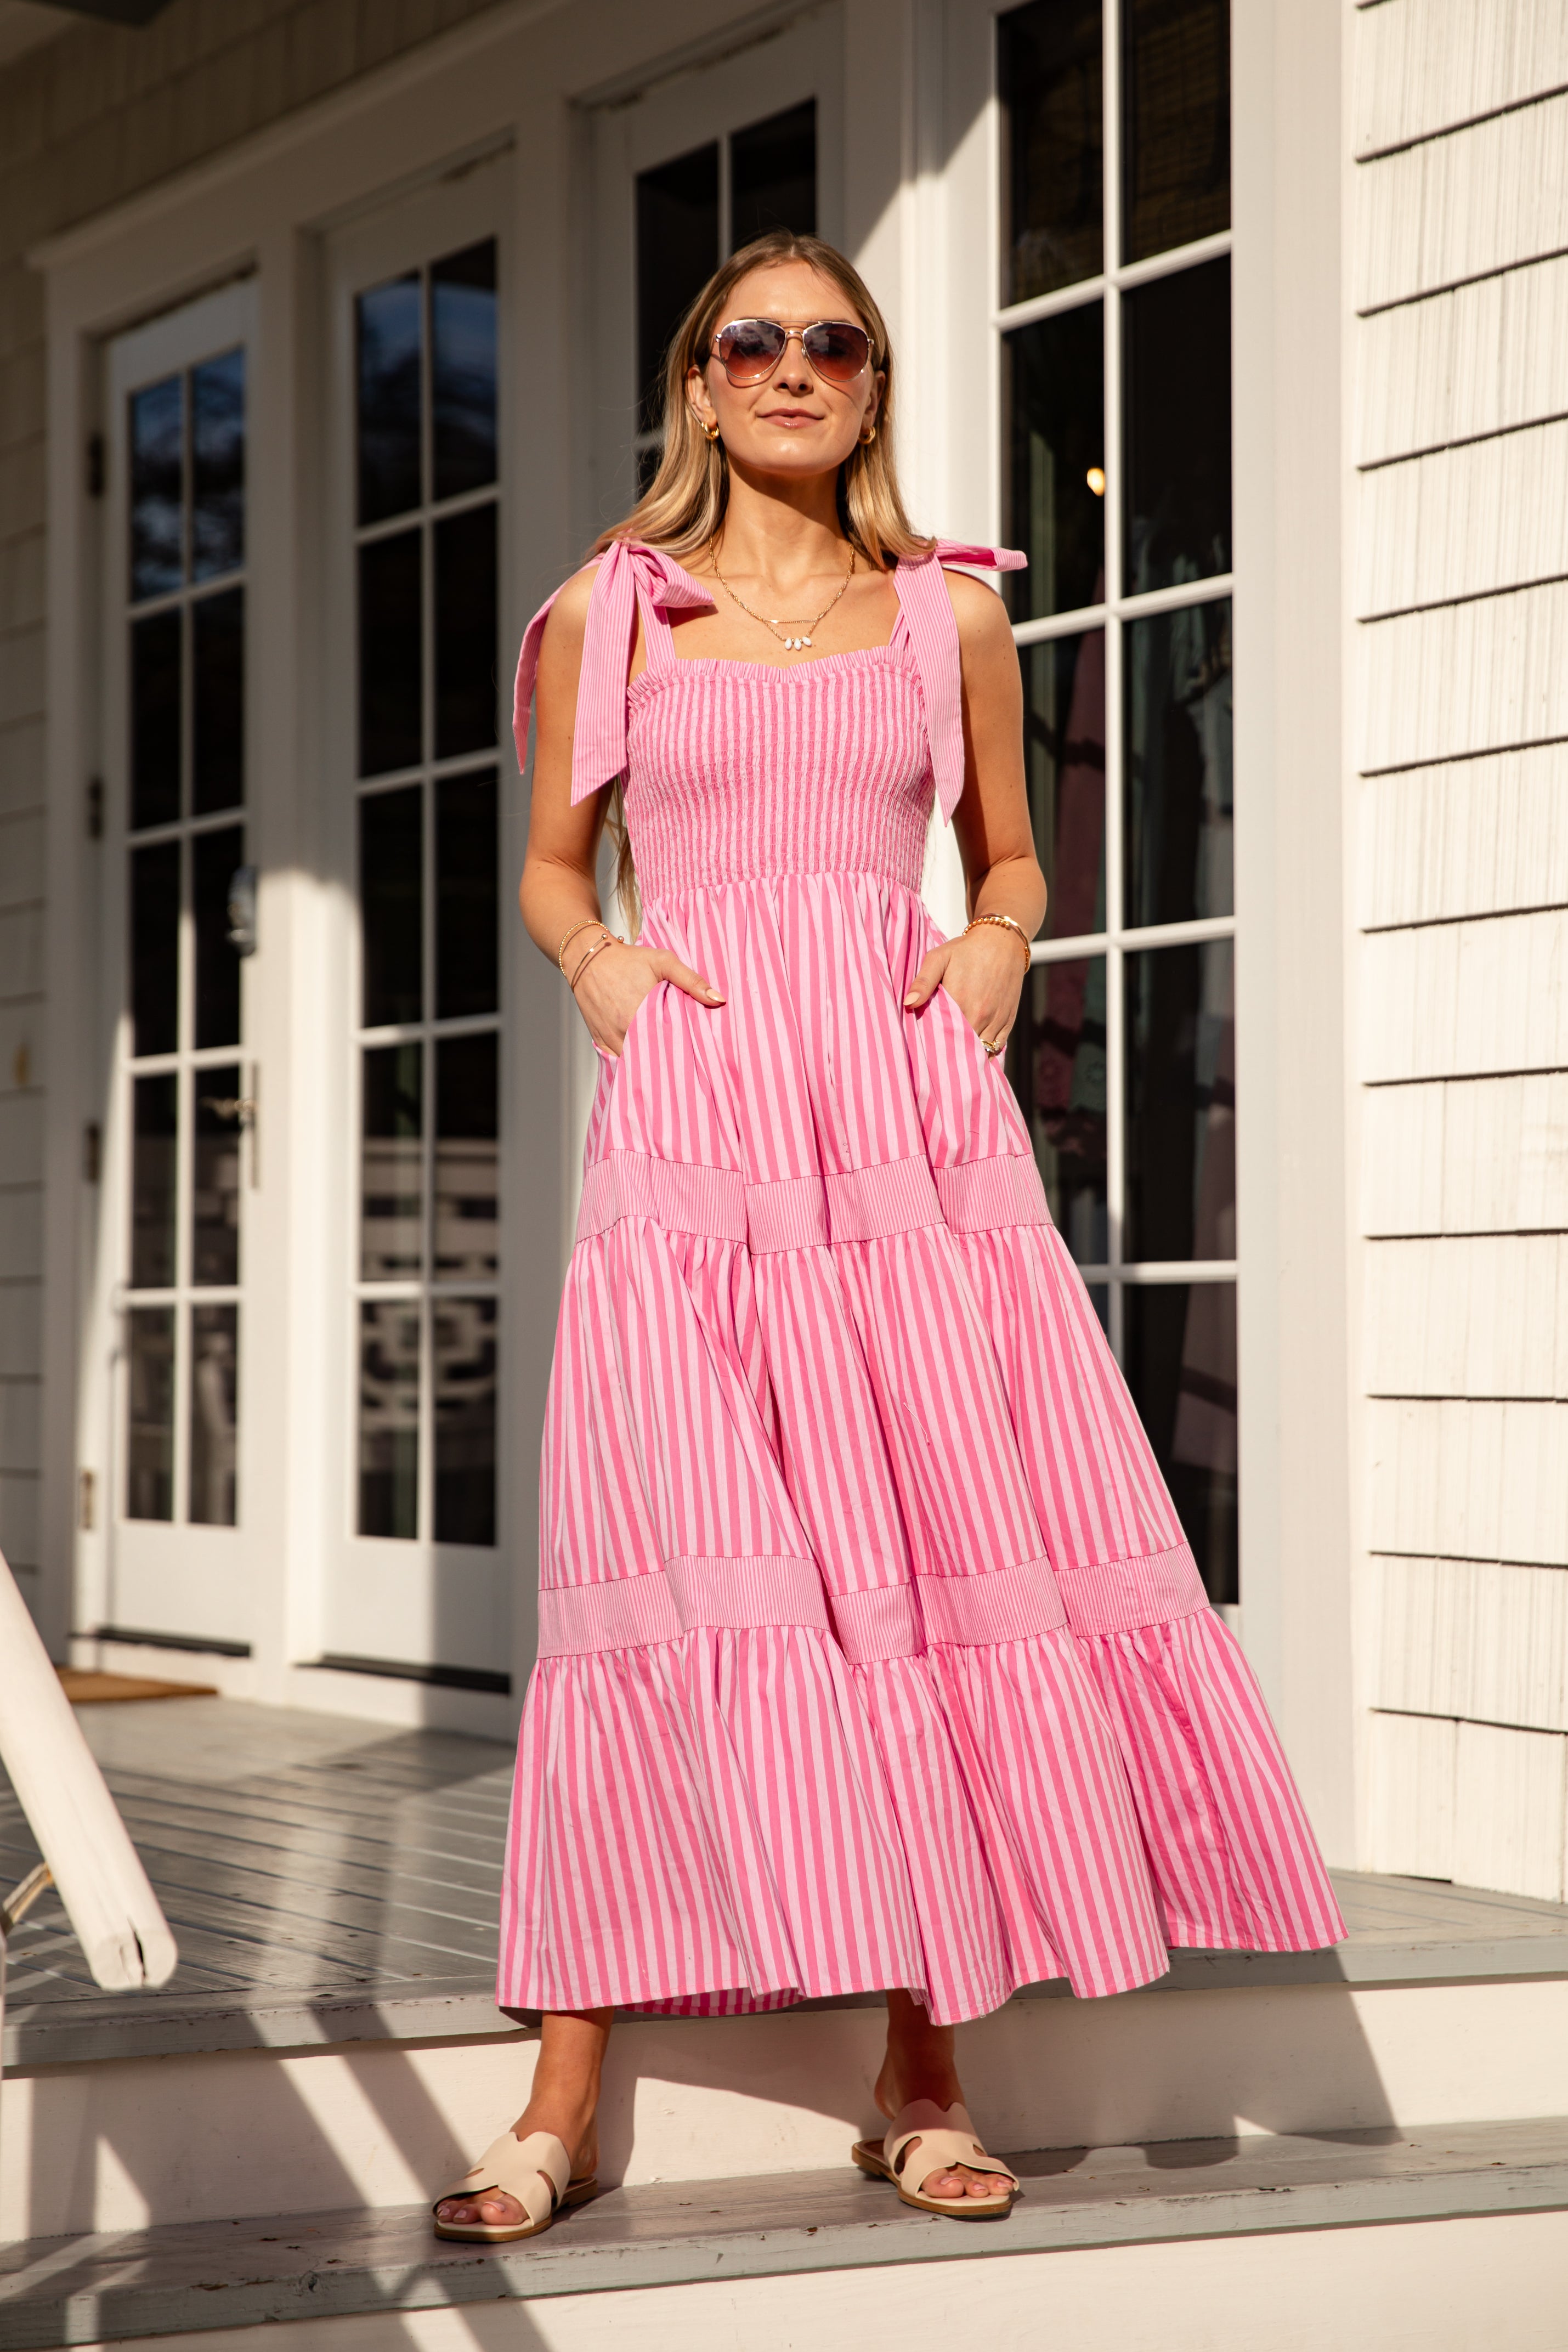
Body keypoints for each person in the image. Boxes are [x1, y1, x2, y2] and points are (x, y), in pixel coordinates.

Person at [433, 229, 1344, 2243]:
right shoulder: (608, 610)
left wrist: (1001, 937)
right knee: (651, 1568)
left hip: (908, 1122)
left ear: (868, 386)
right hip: (695, 1118)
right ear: (694, 382)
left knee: (926, 1556)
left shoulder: (948, 619)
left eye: (827, 343)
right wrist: (596, 968)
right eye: (748, 340)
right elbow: (553, 865)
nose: (787, 366)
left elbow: (1008, 844)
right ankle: (561, 2096)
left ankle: (920, 2073)